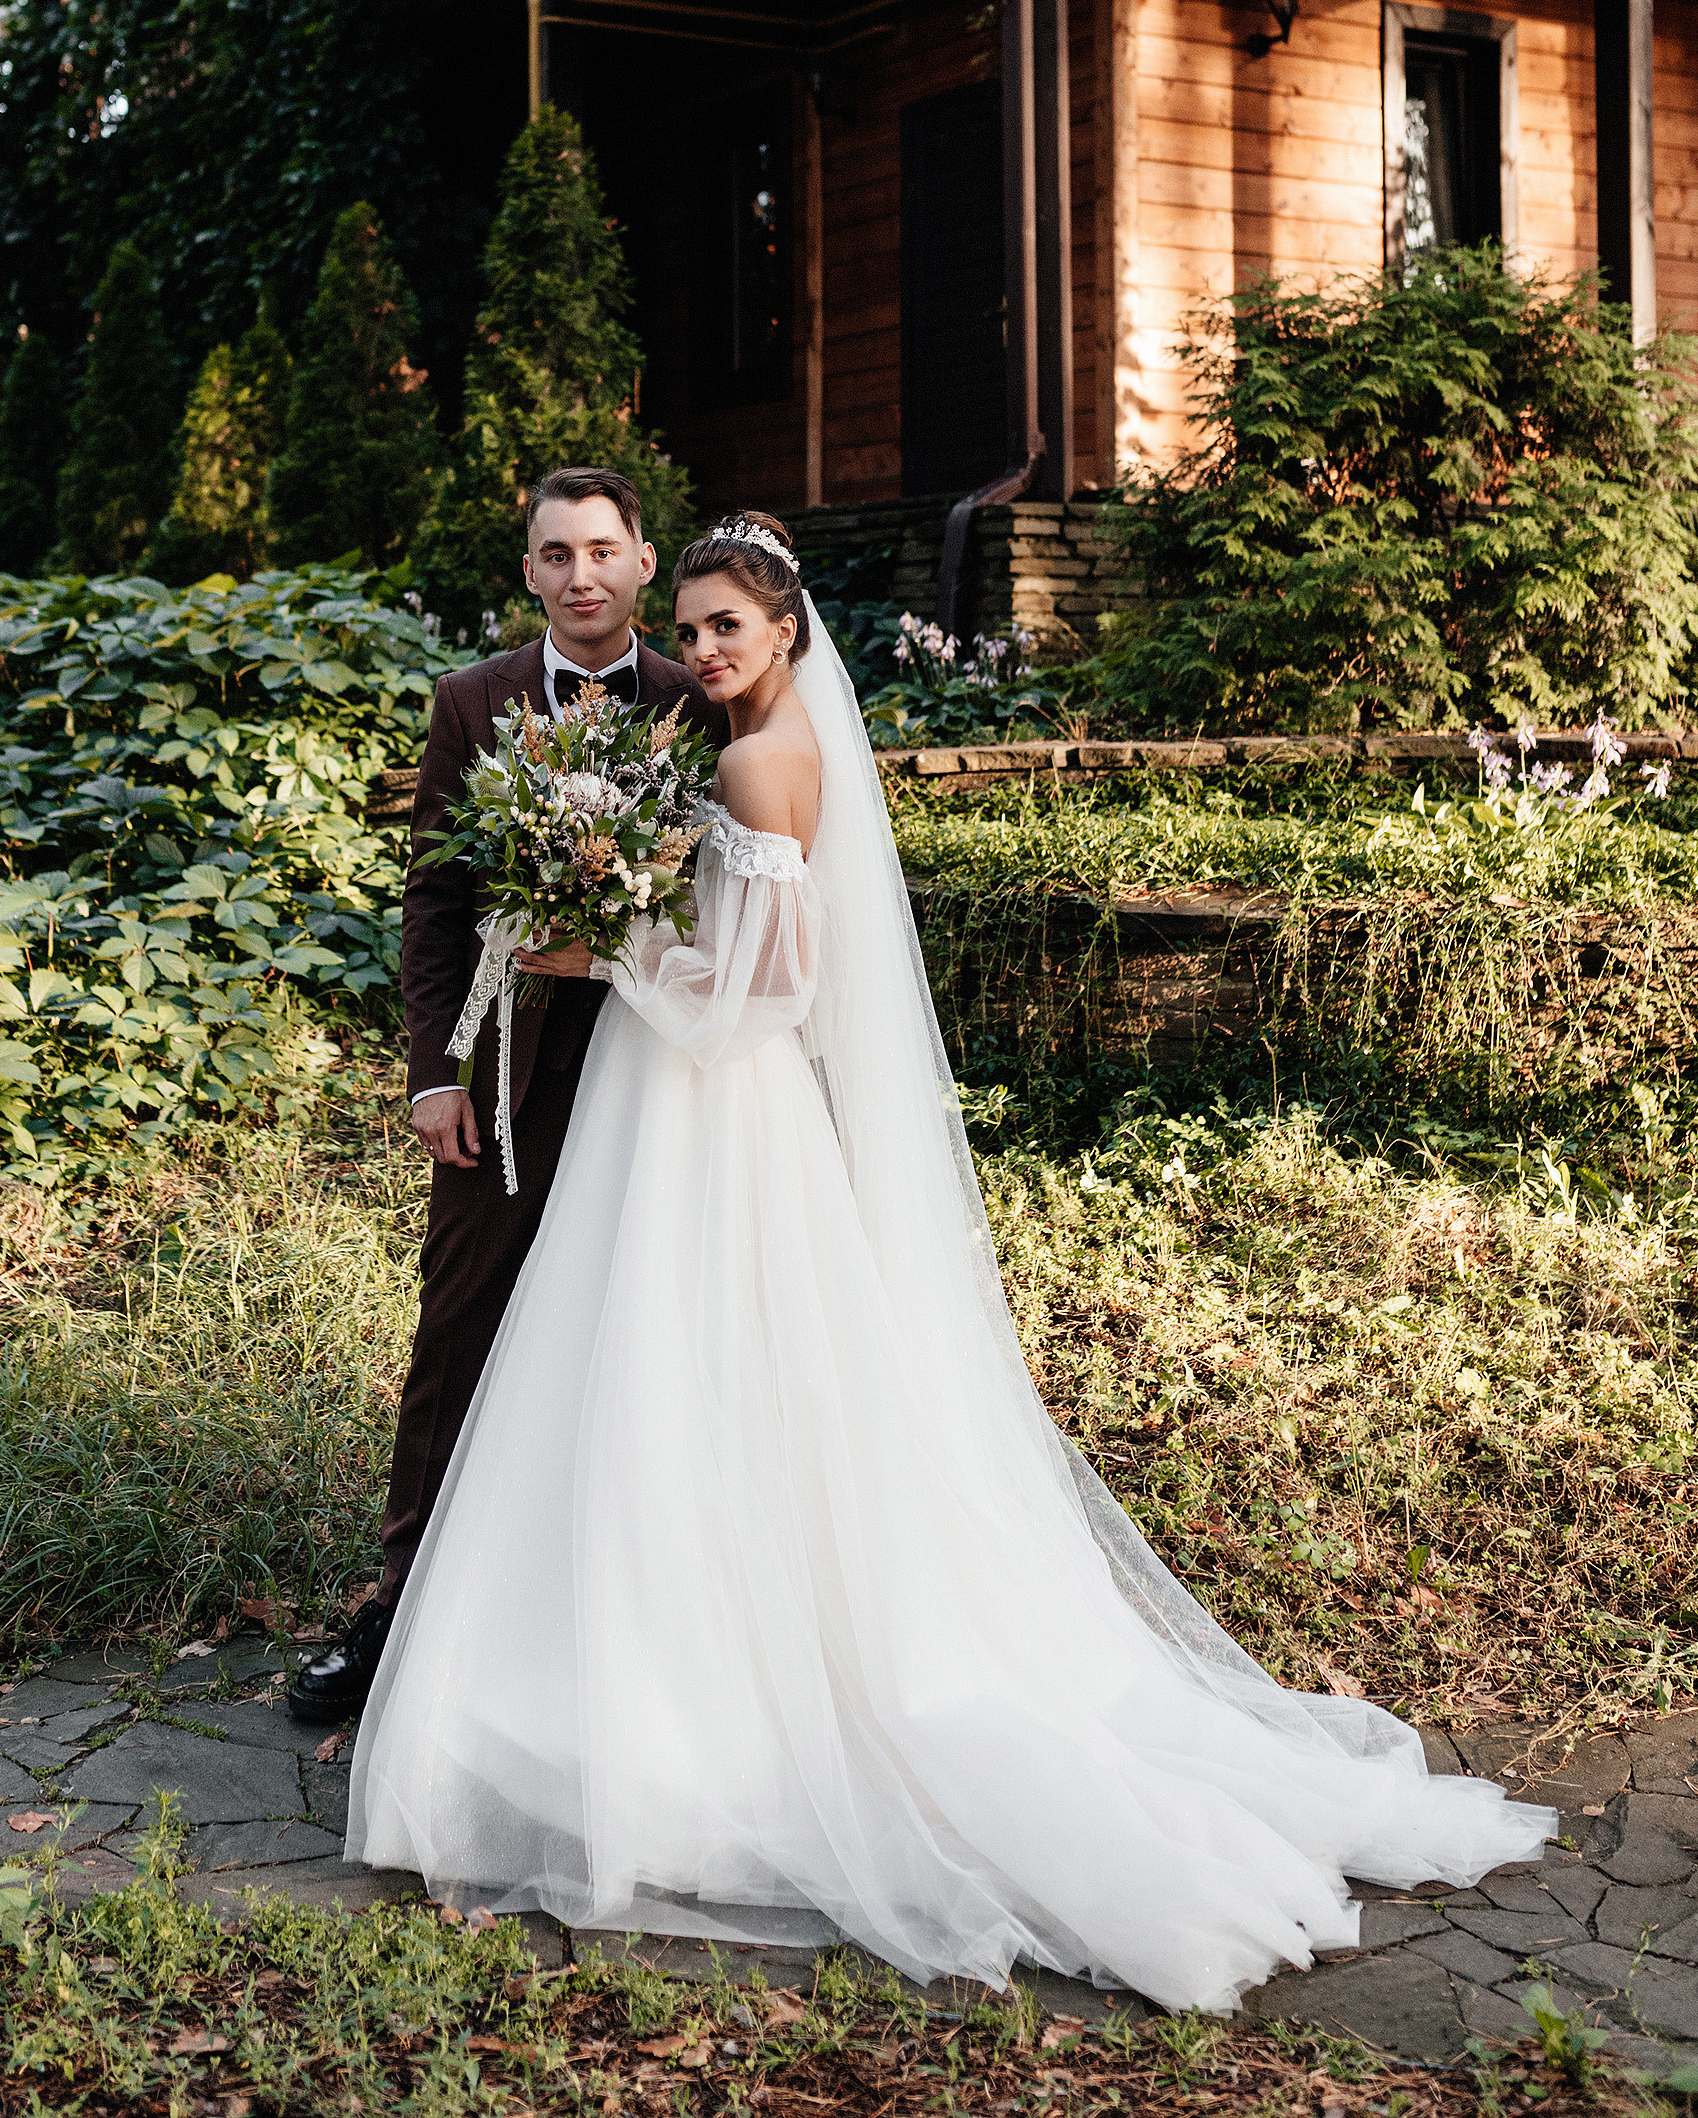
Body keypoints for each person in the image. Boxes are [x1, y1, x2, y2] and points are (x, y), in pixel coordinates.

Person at [345, 508, 1555, 2008]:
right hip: (685, 1104)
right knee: (688, 1374)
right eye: (697, 629)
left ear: (781, 630)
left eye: (728, 627)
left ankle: (682, 1693)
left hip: (705, 1101)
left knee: (678, 1362)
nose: (705, 649)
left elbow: (753, 995)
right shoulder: (738, 737)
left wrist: (602, 950)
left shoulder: (751, 759)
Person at [288, 466, 727, 1726]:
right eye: (555, 554)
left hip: (659, 1069)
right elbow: (435, 901)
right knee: (461, 1323)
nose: (580, 575)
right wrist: (433, 1071)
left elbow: (736, 894)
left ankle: (604, 1623)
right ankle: (400, 1607)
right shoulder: (470, 700)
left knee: (641, 1326)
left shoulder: (699, 701)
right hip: (502, 1072)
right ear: (528, 571)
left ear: (642, 561)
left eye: (601, 550)